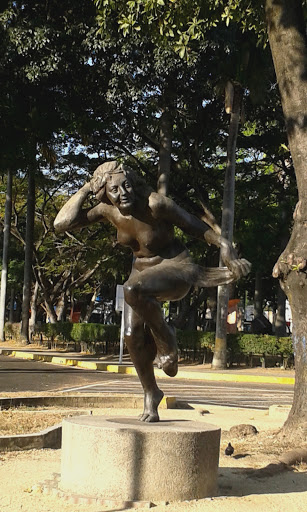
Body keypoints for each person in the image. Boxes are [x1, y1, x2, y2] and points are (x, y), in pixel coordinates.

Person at [54, 161, 250, 422]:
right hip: (141, 272)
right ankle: (151, 392)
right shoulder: (106, 210)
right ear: (104, 194)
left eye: (127, 185)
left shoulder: (155, 204)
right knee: (132, 335)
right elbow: (61, 223)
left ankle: (167, 339)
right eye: (114, 189)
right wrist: (86, 189)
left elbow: (194, 225)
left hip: (175, 266)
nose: (123, 192)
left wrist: (225, 246)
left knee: (132, 288)